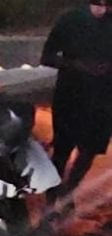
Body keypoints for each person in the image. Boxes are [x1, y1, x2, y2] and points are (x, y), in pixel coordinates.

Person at [41, 0, 112, 211]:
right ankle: (51, 200)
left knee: (90, 149)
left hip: (103, 98)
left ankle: (68, 192)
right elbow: (47, 57)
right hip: (71, 95)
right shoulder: (70, 20)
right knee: (62, 150)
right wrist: (77, 65)